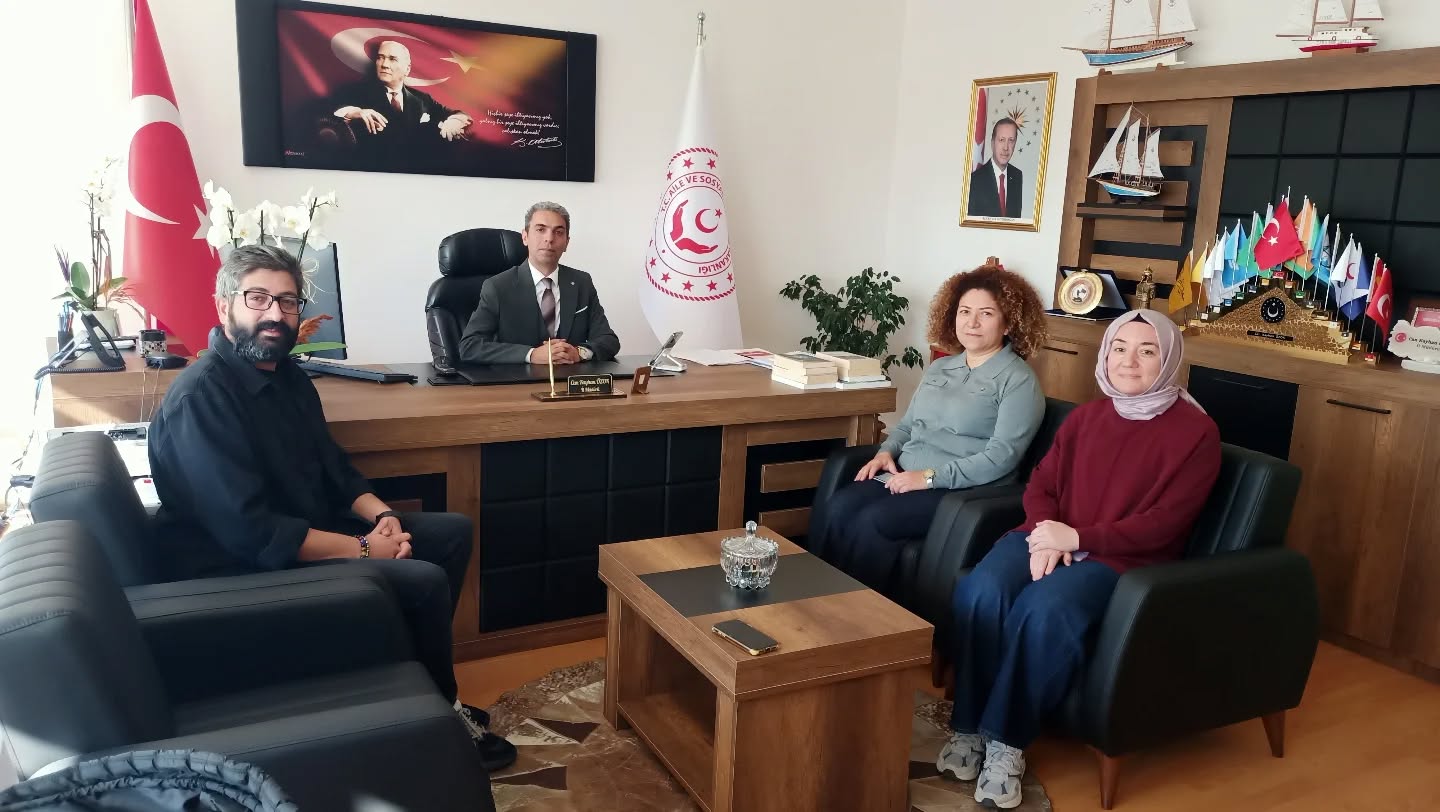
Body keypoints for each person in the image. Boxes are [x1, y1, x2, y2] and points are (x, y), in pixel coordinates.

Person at [147, 245, 517, 772]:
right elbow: (252, 532)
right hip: (239, 567)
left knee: (451, 533)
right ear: (224, 305)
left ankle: (408, 686)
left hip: (302, 531)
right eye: (258, 298)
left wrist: (382, 517)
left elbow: (333, 468)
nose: (275, 314)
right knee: (423, 580)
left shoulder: (288, 376)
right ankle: (442, 719)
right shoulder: (202, 397)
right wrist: (365, 549)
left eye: (287, 301)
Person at [936, 310, 1221, 809]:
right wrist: (1048, 535)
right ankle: (968, 726)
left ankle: (1005, 742)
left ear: (1170, 360)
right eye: (1119, 349)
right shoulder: (1088, 417)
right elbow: (1041, 485)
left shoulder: (1196, 433)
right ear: (1105, 356)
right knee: (980, 590)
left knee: (1044, 609)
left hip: (1123, 558)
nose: (1128, 361)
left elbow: (1165, 523)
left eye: (1147, 351)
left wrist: (1077, 537)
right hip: (1050, 535)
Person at [817, 264, 1048, 592]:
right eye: (965, 311)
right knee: (840, 506)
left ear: (1009, 322)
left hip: (958, 491)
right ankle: (819, 601)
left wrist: (927, 478)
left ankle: (862, 613)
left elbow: (1001, 458)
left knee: (875, 521)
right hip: (905, 475)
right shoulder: (941, 368)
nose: (971, 322)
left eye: (986, 314)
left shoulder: (1018, 381)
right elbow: (908, 425)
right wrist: (886, 452)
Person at [458, 201, 621, 364]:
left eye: (558, 232)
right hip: (518, 378)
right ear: (525, 237)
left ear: (567, 242)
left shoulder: (581, 282)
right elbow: (470, 346)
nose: (549, 239)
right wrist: (531, 354)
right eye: (541, 230)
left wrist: (579, 353)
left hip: (570, 377)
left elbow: (608, 340)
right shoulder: (498, 287)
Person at [324, 41, 473, 166]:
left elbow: (460, 115)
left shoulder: (422, 99)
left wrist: (454, 121)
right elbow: (329, 113)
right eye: (380, 58)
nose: (384, 64)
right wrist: (355, 112)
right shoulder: (356, 91)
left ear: (407, 69)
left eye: (392, 59)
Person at [968, 118, 1024, 219]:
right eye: (1001, 140)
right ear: (992, 143)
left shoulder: (1017, 176)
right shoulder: (974, 180)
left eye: (1011, 140)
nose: (1006, 147)